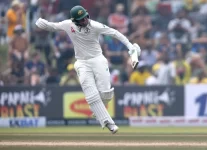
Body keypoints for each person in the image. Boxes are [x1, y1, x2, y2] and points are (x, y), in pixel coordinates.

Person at [35, 5, 141, 134]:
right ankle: (109, 123)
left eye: (85, 17)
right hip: (82, 63)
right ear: (74, 21)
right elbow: (52, 26)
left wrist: (130, 47)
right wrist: (39, 21)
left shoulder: (95, 25)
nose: (85, 21)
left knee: (106, 93)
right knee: (91, 95)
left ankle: (98, 111)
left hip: (98, 60)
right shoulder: (68, 24)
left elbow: (115, 33)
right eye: (81, 19)